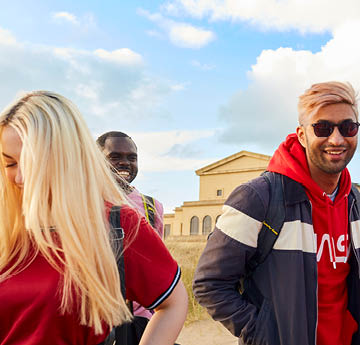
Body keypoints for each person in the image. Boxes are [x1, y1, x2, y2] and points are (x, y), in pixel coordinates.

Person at [0, 91, 188, 345]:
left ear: (67, 156)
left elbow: (173, 302)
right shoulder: (6, 228)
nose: (20, 177)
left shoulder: (118, 224)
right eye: (9, 164)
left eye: (31, 162)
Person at [193, 81, 360, 345]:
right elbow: (209, 283)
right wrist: (262, 334)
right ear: (302, 135)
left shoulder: (355, 204)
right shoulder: (258, 197)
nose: (337, 139)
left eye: (348, 127)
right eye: (323, 128)